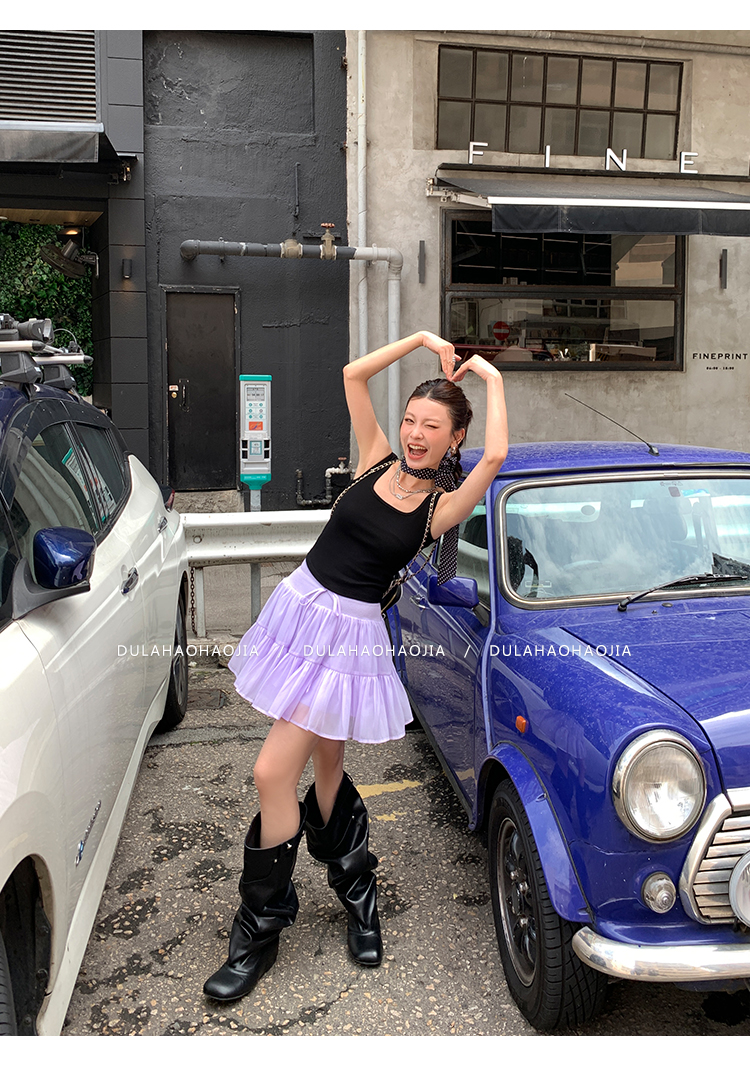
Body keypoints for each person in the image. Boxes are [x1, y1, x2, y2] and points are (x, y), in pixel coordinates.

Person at [203, 330, 508, 1002]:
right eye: (411, 420)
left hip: (348, 640)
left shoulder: (438, 509)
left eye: (432, 426)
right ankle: (358, 894)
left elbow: (497, 456)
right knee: (326, 769)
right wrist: (421, 340)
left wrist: (490, 378)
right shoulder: (374, 461)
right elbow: (351, 374)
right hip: (302, 610)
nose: (415, 434)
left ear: (454, 438)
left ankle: (259, 930)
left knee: (271, 772)